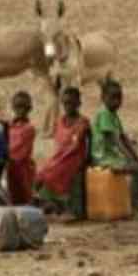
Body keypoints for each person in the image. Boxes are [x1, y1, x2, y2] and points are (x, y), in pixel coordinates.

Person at [90, 76, 138, 217]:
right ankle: (133, 206)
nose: (117, 101)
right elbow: (116, 140)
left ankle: (134, 204)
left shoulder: (113, 115)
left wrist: (137, 158)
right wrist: (132, 159)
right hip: (103, 159)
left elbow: (124, 139)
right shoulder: (105, 114)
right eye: (113, 98)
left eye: (119, 98)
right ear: (103, 98)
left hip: (112, 156)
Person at [33, 86, 90, 219]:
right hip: (61, 157)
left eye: (71, 103)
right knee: (41, 172)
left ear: (79, 104)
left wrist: (87, 160)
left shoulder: (83, 122)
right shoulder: (60, 122)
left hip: (75, 158)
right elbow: (59, 145)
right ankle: (52, 203)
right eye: (65, 103)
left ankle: (57, 205)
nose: (68, 106)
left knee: (52, 172)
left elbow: (87, 143)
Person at [4, 91, 37, 206]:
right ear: (13, 107)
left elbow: (20, 153)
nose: (21, 110)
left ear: (29, 108)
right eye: (18, 106)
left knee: (23, 198)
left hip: (22, 168)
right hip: (10, 165)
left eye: (24, 107)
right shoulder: (8, 127)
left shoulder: (29, 129)